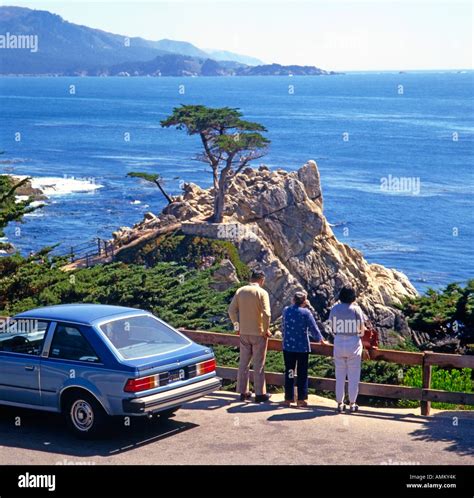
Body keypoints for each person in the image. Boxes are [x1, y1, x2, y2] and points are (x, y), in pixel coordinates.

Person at [228, 269, 272, 403]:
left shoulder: (240, 291)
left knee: (243, 363)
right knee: (258, 363)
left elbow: (231, 311)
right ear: (262, 280)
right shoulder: (262, 293)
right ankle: (259, 394)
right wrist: (265, 330)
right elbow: (267, 313)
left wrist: (237, 327)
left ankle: (243, 392)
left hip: (244, 332)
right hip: (258, 333)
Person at [282, 292, 328, 408]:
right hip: (302, 347)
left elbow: (284, 326)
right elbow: (313, 328)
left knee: (290, 371)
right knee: (302, 373)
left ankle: (288, 398)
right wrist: (321, 340)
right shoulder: (306, 312)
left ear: (293, 299)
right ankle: (301, 400)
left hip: (288, 346)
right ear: (304, 301)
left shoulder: (286, 310)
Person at [329, 285, 365, 413]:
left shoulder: (334, 309)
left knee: (339, 375)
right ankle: (353, 403)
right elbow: (362, 330)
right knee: (353, 376)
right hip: (353, 344)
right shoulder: (356, 309)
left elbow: (332, 327)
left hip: (339, 343)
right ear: (353, 297)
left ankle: (339, 403)